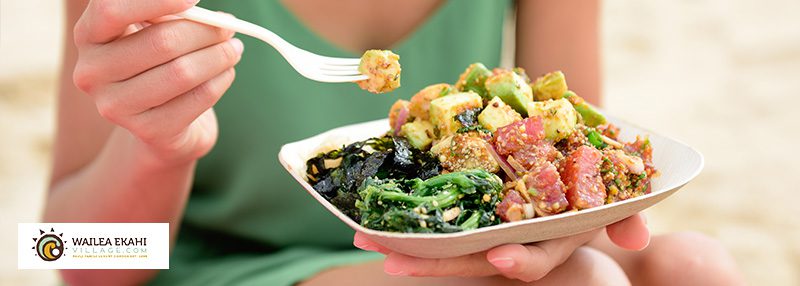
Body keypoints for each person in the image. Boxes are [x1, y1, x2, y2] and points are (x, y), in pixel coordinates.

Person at [47, 0, 744, 285]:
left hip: (468, 252)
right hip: (224, 270)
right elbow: (65, 256)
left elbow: (572, 158)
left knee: (695, 265)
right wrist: (158, 147)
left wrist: (560, 216)